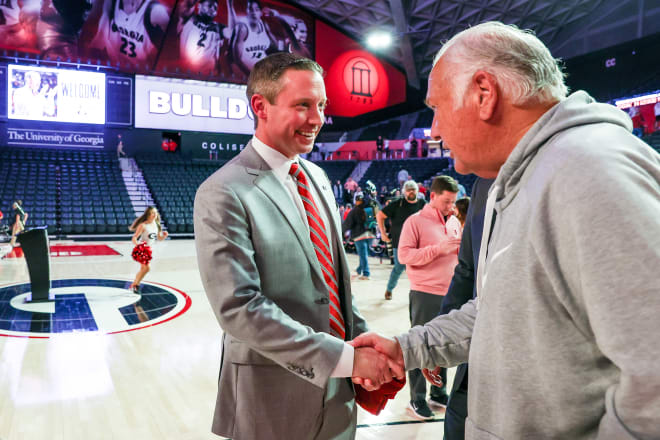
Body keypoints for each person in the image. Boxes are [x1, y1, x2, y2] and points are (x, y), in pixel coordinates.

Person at [350, 21, 660, 439]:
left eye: (437, 107)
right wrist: (407, 348)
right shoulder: (517, 179)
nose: (435, 130)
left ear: (484, 93)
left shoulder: (589, 171)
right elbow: (497, 308)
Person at [193, 53, 402, 440]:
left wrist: (362, 349)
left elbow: (335, 287)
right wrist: (345, 358)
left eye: (321, 105)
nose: (317, 119)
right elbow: (239, 308)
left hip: (339, 395)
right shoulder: (223, 191)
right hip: (271, 400)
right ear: (261, 106)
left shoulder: (318, 177)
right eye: (303, 105)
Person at [396, 175, 461, 419]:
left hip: (450, 292)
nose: (450, 207)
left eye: (453, 202)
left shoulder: (454, 221)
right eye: (446, 201)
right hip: (425, 292)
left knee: (443, 345)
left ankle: (438, 392)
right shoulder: (415, 221)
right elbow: (404, 256)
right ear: (432, 196)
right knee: (420, 345)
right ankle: (416, 398)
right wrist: (438, 250)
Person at [437, 178, 492, 440]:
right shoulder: (483, 184)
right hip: (472, 367)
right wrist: (436, 340)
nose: (434, 133)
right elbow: (467, 270)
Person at [376, 180, 425, 300]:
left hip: (418, 243)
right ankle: (389, 289)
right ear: (404, 192)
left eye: (413, 189)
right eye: (408, 190)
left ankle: (418, 294)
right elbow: (380, 216)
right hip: (400, 242)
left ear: (417, 191)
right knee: (398, 268)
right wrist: (382, 233)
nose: (411, 192)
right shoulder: (397, 203)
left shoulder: (423, 203)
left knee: (419, 269)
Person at [89, 0, 170, 68]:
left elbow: (171, 50)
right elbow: (100, 39)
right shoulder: (111, 2)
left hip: (142, 74)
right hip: (115, 69)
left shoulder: (156, 11)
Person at [177, 0, 231, 76]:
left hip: (209, 77)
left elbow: (232, 33)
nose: (213, 9)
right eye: (209, 6)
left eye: (215, 8)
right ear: (199, 5)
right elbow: (185, 6)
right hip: (186, 74)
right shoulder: (189, 19)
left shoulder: (219, 27)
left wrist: (230, 7)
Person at [128, 206, 168, 293]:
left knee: (143, 269)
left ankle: (134, 285)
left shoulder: (157, 225)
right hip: (142, 250)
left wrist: (164, 236)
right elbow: (134, 238)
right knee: (147, 268)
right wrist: (138, 245)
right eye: (152, 213)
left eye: (155, 212)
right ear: (148, 215)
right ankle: (135, 285)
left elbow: (159, 238)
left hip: (150, 250)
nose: (155, 215)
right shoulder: (143, 225)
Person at [342, 195, 374, 281]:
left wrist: (342, 232)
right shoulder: (370, 209)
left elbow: (347, 224)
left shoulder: (354, 210)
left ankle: (366, 273)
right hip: (370, 234)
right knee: (364, 254)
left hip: (359, 235)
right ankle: (359, 269)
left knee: (362, 254)